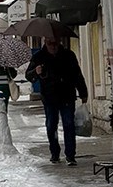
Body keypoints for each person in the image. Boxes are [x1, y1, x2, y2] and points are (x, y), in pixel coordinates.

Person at [29, 36, 89, 166]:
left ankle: (70, 155)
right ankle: (55, 153)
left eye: (55, 43)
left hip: (67, 95)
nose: (53, 46)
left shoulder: (68, 55)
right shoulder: (39, 56)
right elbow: (29, 75)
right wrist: (36, 71)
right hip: (49, 97)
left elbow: (77, 74)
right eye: (51, 43)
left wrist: (83, 92)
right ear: (46, 42)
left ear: (60, 42)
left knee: (69, 124)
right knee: (51, 125)